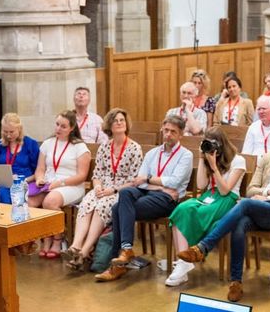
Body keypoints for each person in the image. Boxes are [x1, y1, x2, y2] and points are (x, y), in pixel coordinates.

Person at [178, 122, 270, 302]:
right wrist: (267, 193)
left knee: (244, 205)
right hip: (259, 206)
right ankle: (236, 283)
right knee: (239, 223)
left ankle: (203, 247)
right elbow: (251, 189)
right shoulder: (267, 158)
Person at [95, 117, 194, 282]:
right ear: (162, 129)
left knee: (117, 209)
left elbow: (174, 182)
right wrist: (158, 184)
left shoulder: (186, 155)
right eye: (166, 130)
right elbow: (138, 180)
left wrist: (149, 180)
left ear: (181, 135)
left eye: (173, 132)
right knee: (125, 194)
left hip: (167, 200)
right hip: (151, 193)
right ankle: (126, 250)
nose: (168, 135)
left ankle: (117, 265)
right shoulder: (152, 153)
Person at [165, 127, 247, 286]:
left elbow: (225, 190)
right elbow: (202, 184)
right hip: (209, 195)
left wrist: (214, 167)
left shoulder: (238, 160)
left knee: (200, 211)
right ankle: (183, 262)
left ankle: (183, 265)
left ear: (221, 143)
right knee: (181, 209)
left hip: (227, 199)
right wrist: (202, 158)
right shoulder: (209, 157)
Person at [63, 108, 143, 271]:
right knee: (87, 203)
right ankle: (75, 247)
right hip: (103, 187)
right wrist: (98, 186)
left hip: (122, 191)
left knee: (101, 206)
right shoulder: (104, 147)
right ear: (109, 126)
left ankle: (84, 252)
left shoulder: (135, 148)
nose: (119, 123)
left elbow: (135, 180)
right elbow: (97, 173)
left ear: (126, 124)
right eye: (116, 121)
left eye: (122, 120)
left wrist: (113, 190)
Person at [29, 110, 92, 257]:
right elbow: (40, 169)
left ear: (72, 128)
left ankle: (57, 239)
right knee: (29, 202)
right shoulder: (47, 144)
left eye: (63, 126)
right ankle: (44, 237)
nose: (58, 128)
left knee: (50, 201)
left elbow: (82, 176)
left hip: (71, 185)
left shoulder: (79, 147)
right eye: (57, 124)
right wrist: (39, 179)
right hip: (48, 184)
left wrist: (60, 183)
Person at [0, 112, 40, 203]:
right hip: (3, 183)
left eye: (12, 132)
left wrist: (22, 180)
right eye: (5, 132)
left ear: (19, 129)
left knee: (3, 193)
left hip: (24, 183)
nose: (8, 135)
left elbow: (38, 171)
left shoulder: (31, 144)